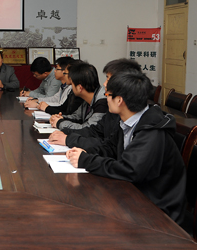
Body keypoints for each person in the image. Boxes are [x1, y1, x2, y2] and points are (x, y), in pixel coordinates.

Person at [65, 71, 186, 226]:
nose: (106, 98)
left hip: (156, 209)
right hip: (134, 194)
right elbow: (110, 147)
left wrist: (86, 160)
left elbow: (130, 170)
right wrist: (83, 153)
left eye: (108, 94)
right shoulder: (128, 120)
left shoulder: (152, 131)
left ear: (119, 100)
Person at [48, 58, 142, 148]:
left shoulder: (105, 102)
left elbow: (104, 144)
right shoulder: (112, 111)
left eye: (108, 79)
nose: (104, 84)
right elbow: (94, 131)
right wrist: (62, 122)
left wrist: (62, 126)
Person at [49, 62, 107, 134]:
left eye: (72, 84)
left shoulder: (102, 102)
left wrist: (59, 123)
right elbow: (77, 117)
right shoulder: (88, 96)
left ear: (80, 88)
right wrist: (61, 118)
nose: (71, 87)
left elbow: (87, 130)